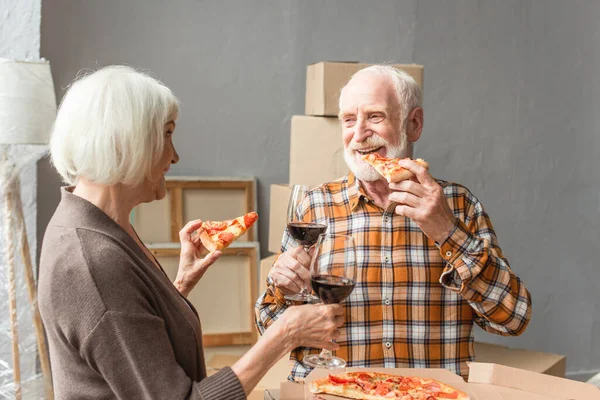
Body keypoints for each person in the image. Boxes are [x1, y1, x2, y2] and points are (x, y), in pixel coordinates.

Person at [38, 65, 344, 400]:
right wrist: (285, 333)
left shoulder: (99, 225)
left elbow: (127, 334)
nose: (175, 155)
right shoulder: (94, 261)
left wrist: (176, 287)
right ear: (125, 143)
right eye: (166, 134)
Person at [256, 65, 532, 381]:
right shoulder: (315, 207)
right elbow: (267, 323)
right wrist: (282, 292)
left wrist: (446, 230)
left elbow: (513, 318)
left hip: (429, 393)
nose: (358, 135)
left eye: (375, 117)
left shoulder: (458, 205)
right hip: (335, 392)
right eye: (349, 120)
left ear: (413, 124)